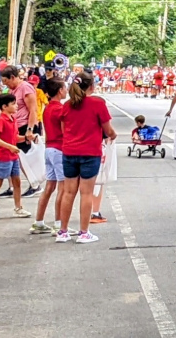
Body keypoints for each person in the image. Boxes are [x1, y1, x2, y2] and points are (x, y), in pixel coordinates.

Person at [56, 72, 116, 244]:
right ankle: (83, 232)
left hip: (69, 151)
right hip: (90, 152)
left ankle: (63, 230)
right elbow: (108, 129)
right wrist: (113, 135)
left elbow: (63, 129)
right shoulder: (97, 103)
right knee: (86, 192)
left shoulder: (67, 105)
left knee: (68, 192)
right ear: (92, 86)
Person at [0, 94, 31, 220]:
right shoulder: (1, 120)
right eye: (13, 104)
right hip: (2, 156)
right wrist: (9, 146)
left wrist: (26, 138)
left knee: (17, 181)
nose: (16, 106)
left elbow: (14, 137)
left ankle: (18, 207)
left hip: (13, 156)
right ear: (4, 107)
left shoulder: (13, 119)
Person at [31, 79, 67, 234]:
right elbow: (65, 130)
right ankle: (59, 223)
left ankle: (39, 221)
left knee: (49, 187)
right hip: (59, 148)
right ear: (59, 90)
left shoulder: (47, 108)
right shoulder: (60, 109)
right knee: (63, 188)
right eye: (65, 88)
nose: (66, 91)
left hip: (49, 148)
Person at [0, 66, 41, 197]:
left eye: (6, 81)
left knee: (24, 157)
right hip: (15, 125)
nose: (5, 84)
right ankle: (12, 186)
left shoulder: (25, 88)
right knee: (13, 156)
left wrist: (30, 129)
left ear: (13, 77)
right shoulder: (13, 90)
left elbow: (32, 109)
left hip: (25, 125)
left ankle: (35, 184)